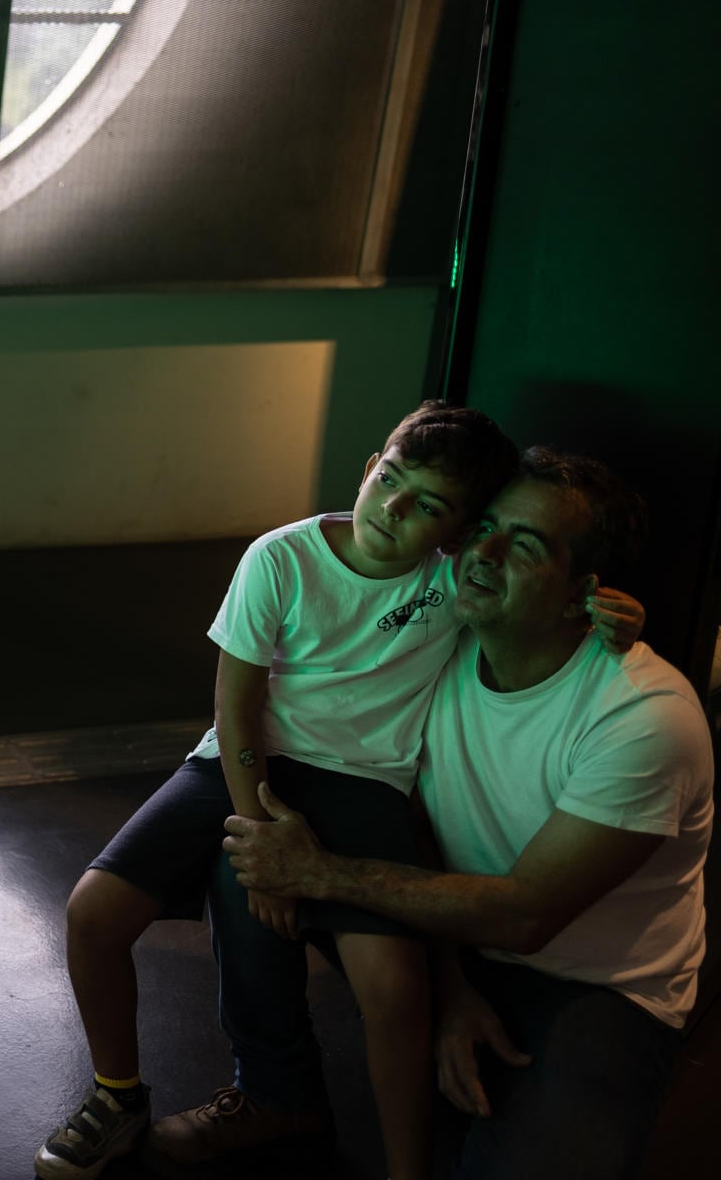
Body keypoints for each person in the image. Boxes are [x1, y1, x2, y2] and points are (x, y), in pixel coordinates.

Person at [34, 404, 644, 1180]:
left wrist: (616, 612)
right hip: (244, 762)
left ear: (455, 533)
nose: (394, 509)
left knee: (393, 986)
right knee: (92, 911)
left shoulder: (454, 579)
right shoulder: (280, 558)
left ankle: (404, 1168)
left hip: (364, 784)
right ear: (368, 469)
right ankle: (117, 1097)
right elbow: (236, 706)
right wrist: (262, 841)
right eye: (391, 480)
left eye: (427, 505)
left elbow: (539, 600)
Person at [222, 449, 711, 1178]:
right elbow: (417, 827)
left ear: (583, 591)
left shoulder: (644, 718)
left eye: (524, 545)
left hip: (594, 985)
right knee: (241, 851)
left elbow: (524, 916)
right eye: (483, 526)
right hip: (457, 934)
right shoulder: (442, 642)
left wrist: (322, 872)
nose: (481, 554)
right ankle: (274, 1094)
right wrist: (451, 987)